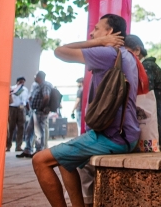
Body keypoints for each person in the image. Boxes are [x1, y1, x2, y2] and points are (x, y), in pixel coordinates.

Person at [31, 13, 138, 207]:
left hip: (111, 137)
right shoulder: (126, 55)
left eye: (97, 29)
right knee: (65, 161)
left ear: (110, 32)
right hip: (124, 134)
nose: (92, 33)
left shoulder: (108, 53)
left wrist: (103, 42)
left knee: (39, 160)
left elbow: (59, 51)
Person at [19, 70, 53, 158]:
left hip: (40, 112)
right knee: (29, 130)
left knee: (39, 132)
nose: (34, 77)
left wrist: (41, 108)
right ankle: (27, 149)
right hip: (34, 111)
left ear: (39, 77)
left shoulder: (45, 85)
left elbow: (46, 97)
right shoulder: (37, 85)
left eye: (35, 76)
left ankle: (39, 150)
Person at [140, 47, 161, 146]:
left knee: (150, 146)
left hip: (155, 125)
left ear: (137, 50)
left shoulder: (147, 66)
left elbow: (146, 89)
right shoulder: (148, 65)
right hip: (158, 121)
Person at [8, 76, 29, 152]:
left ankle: (18, 146)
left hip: (21, 109)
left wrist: (27, 109)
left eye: (23, 82)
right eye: (21, 82)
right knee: (11, 128)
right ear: (17, 82)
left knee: (21, 128)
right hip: (12, 109)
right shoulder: (12, 88)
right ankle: (8, 146)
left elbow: (26, 101)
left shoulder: (25, 90)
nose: (22, 83)